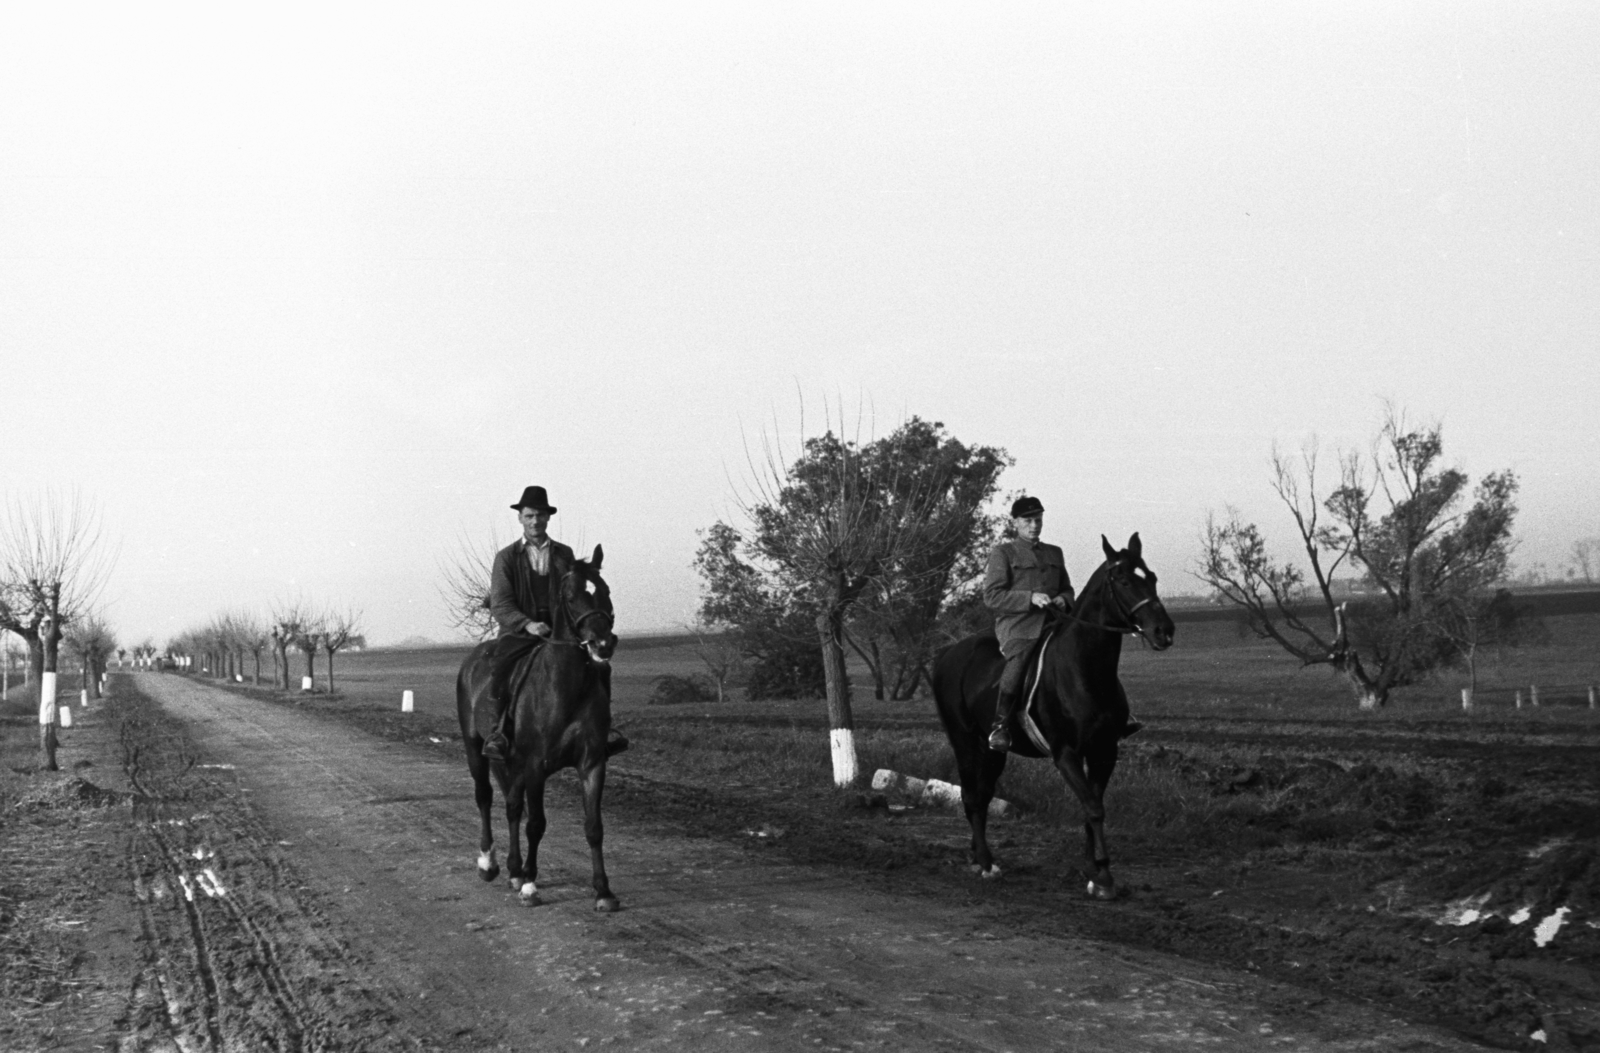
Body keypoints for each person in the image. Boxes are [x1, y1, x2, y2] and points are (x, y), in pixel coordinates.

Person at [981, 496, 1144, 751]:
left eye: (1038, 519)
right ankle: (1000, 726)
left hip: (1057, 622)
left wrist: (1062, 600)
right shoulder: (1003, 553)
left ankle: (1119, 716)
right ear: (1016, 523)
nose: (1034, 525)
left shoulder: (1054, 552)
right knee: (1020, 662)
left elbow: (1068, 589)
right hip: (1020, 627)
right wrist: (1030, 598)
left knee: (1092, 655)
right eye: (1028, 520)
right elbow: (992, 596)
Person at [480, 486, 625, 762]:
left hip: (562, 632)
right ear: (520, 519)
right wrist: (528, 624)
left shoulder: (564, 553)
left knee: (600, 667)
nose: (536, 521)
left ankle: (602, 731)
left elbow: (576, 593)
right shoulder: (506, 558)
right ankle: (498, 733)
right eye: (530, 515)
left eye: (541, 515)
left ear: (548, 518)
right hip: (520, 633)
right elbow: (500, 603)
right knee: (500, 669)